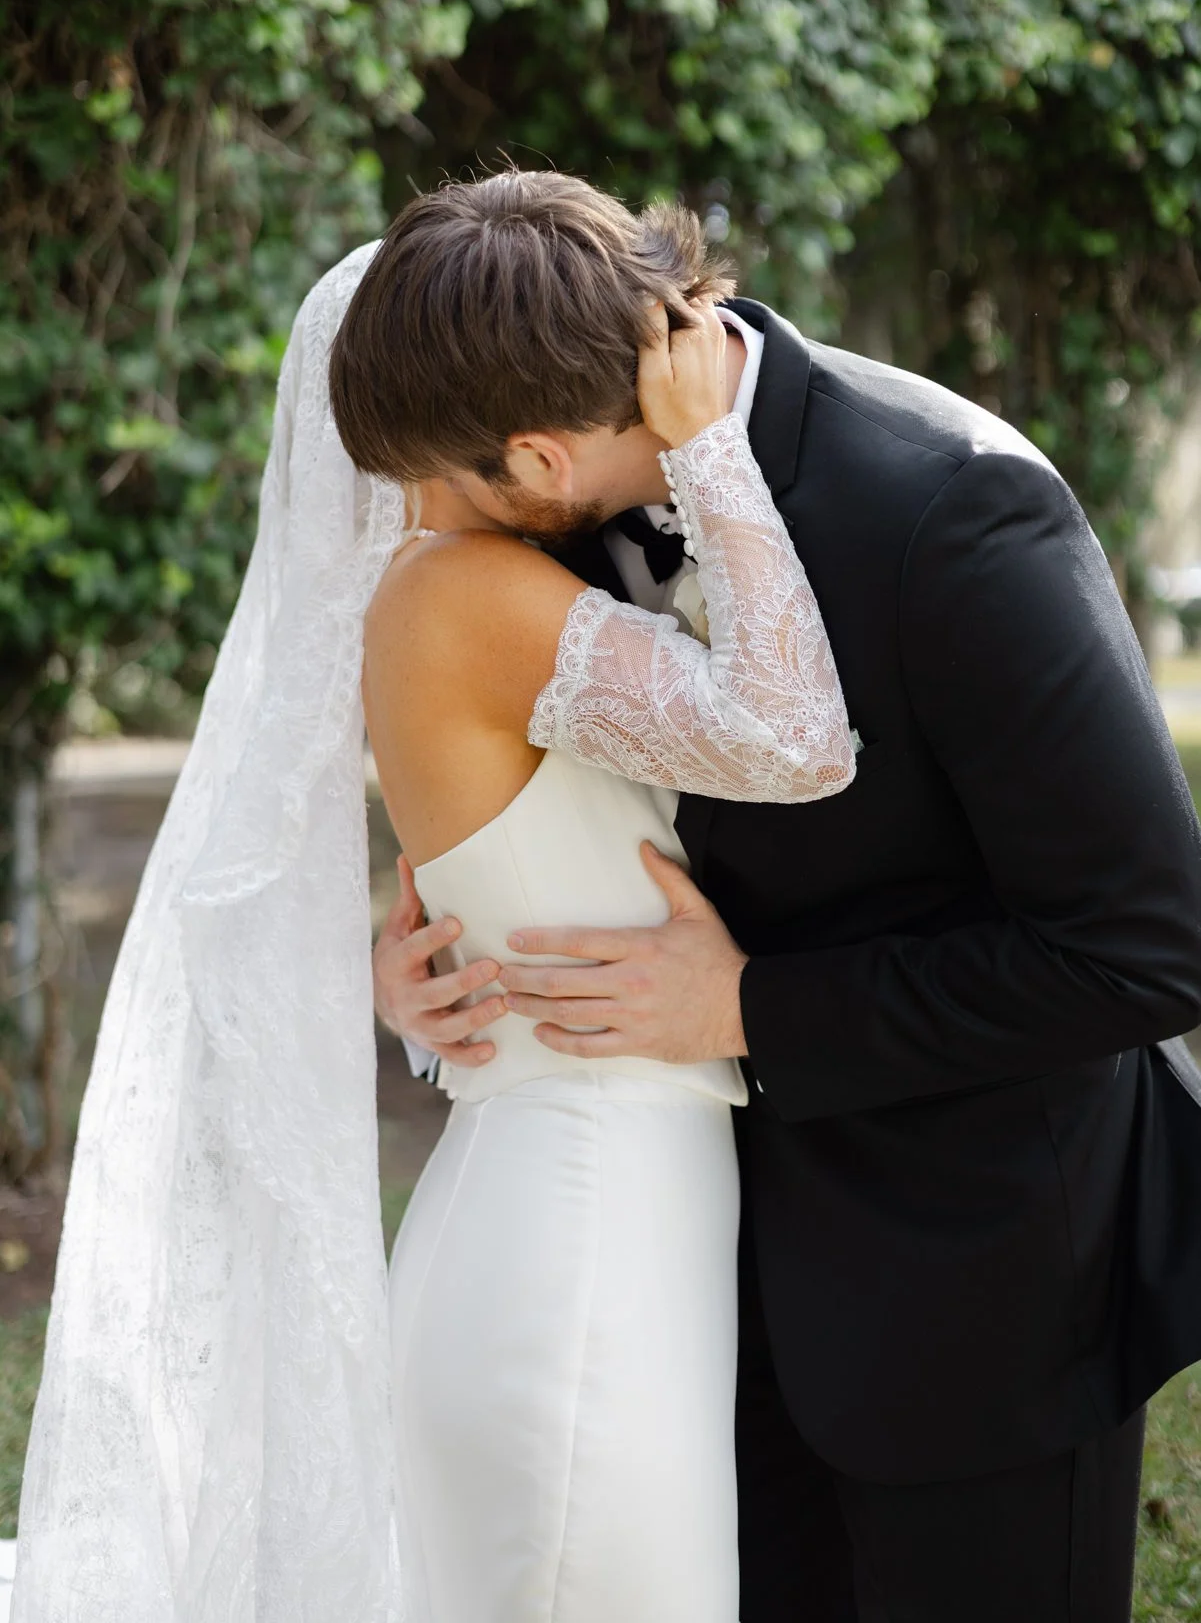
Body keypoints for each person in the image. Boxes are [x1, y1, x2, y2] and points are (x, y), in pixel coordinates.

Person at [356, 171, 1201, 1623]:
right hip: (680, 1286)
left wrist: (753, 1006)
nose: (417, 519)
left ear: (541, 454)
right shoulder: (539, 530)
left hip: (971, 1285)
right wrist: (434, 919)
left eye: (433, 478)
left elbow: (1149, 949)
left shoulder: (956, 508)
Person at [347, 243, 855, 1618]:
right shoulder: (461, 591)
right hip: (582, 1215)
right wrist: (709, 451)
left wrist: (403, 986)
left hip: (577, 1180)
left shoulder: (471, 587)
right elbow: (796, 737)